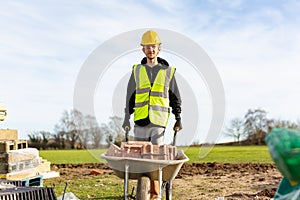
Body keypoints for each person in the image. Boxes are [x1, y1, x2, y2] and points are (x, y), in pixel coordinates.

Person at [122, 30, 182, 199]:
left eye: (153, 47)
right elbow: (130, 97)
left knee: (155, 161)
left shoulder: (168, 72)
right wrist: (126, 117)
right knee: (140, 160)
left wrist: (178, 117)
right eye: (147, 47)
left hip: (158, 124)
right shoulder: (137, 71)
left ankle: (154, 195)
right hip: (140, 121)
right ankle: (144, 191)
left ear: (159, 49)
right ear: (143, 50)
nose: (150, 50)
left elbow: (175, 97)